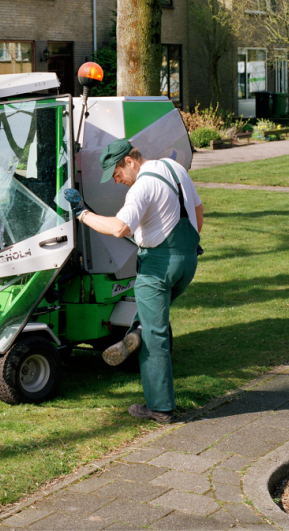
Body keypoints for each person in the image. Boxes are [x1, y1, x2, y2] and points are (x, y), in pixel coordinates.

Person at [64, 138, 203, 423]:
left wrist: (82, 214)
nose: (117, 182)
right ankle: (136, 330)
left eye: (116, 175)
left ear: (130, 161)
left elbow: (119, 228)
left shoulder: (141, 187)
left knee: (155, 336)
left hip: (157, 267)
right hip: (188, 260)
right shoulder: (175, 168)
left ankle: (160, 407)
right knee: (152, 318)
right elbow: (197, 212)